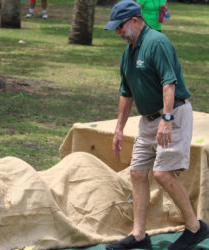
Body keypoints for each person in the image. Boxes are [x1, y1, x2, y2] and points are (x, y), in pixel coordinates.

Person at [104, 1, 209, 249]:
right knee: (137, 172)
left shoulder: (157, 43)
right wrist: (118, 129)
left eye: (120, 26)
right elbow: (125, 93)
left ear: (135, 20)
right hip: (147, 121)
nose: (117, 32)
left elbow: (169, 83)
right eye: (115, 28)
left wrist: (167, 119)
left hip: (172, 115)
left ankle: (196, 228)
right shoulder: (128, 52)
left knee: (162, 173)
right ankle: (139, 235)